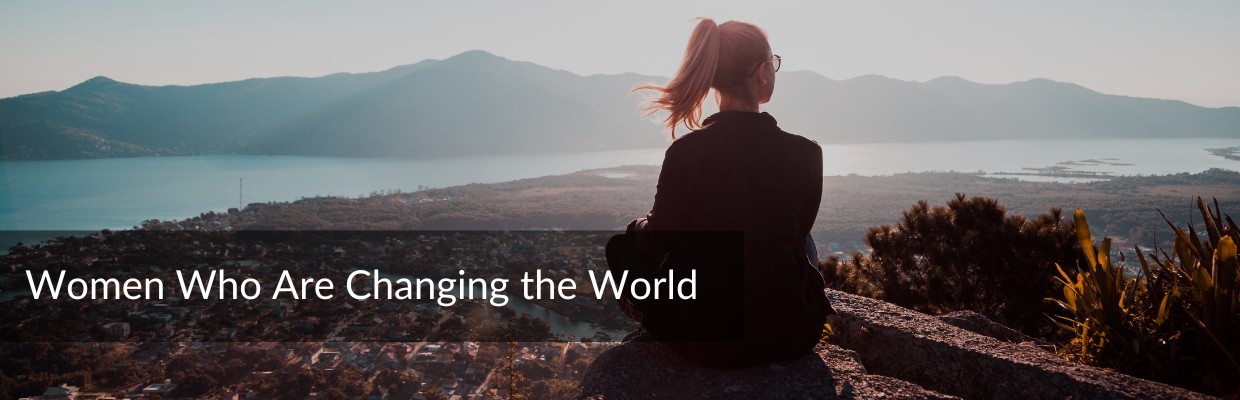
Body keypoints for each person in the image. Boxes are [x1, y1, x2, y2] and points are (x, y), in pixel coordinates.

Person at [605, 17, 834, 368]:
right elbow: (798, 231)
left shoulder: (686, 152)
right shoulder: (806, 152)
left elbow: (659, 239)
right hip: (792, 331)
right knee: (804, 243)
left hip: (708, 336)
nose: (773, 71)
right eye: (773, 63)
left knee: (621, 248)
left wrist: (634, 228)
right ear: (761, 72)